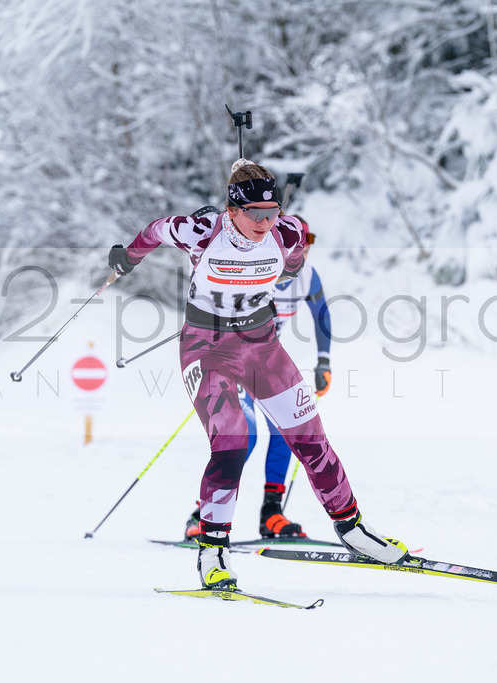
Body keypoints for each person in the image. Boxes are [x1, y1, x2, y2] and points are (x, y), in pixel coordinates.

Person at [108, 159, 407, 590]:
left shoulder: (286, 233)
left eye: (273, 212)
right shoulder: (201, 231)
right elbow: (155, 230)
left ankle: (354, 532)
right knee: (231, 442)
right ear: (232, 210)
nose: (266, 223)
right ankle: (212, 553)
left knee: (311, 440)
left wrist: (284, 270)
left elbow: (293, 264)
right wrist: (127, 259)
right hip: (206, 349)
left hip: (262, 347)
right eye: (256, 215)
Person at [181, 216, 331, 541]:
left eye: (309, 241)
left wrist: (324, 361)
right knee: (242, 433)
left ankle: (272, 514)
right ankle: (202, 516)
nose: (304, 248)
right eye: (300, 241)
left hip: (263, 361)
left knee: (284, 431)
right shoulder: (257, 266)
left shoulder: (306, 276)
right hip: (227, 358)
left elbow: (322, 315)